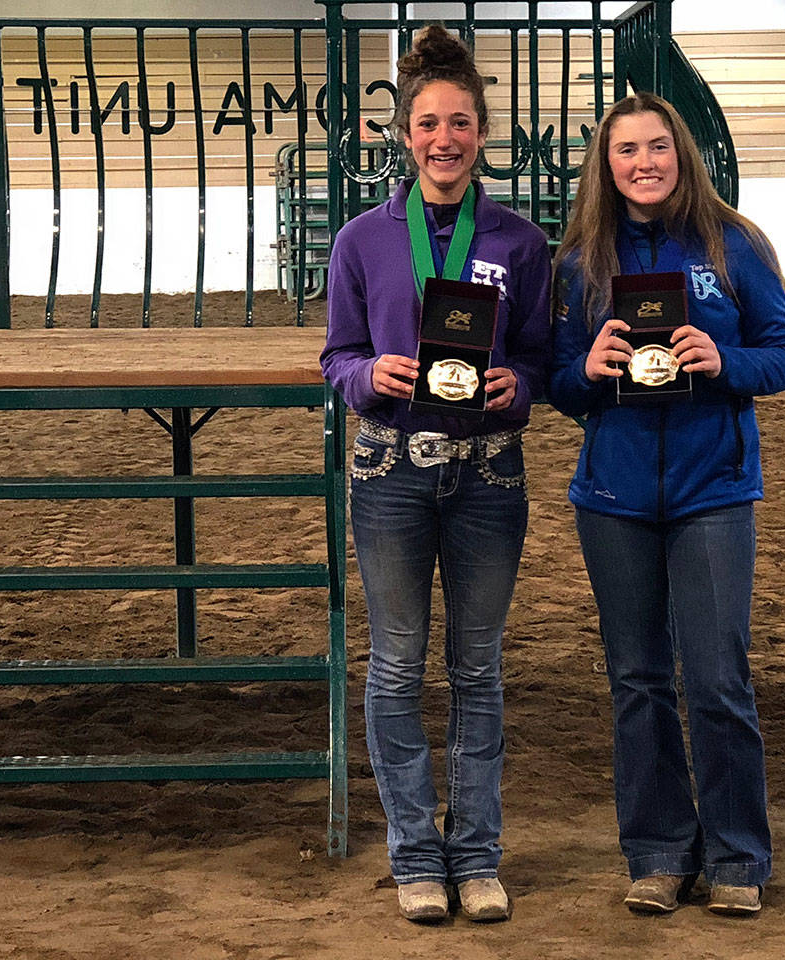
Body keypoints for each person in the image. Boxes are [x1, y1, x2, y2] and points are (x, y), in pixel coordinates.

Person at [547, 92, 785, 917]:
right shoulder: (580, 259)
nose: (644, 163)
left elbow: (784, 356)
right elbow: (557, 382)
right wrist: (584, 371)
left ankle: (737, 857)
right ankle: (657, 852)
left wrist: (720, 358)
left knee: (719, 680)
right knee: (638, 679)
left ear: (681, 154)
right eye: (627, 150)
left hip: (713, 494)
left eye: (658, 146)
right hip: (613, 498)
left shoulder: (734, 245)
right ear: (606, 163)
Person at [320, 24, 551, 924]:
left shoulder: (522, 244)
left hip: (489, 476)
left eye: (460, 122)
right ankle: (417, 856)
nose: (443, 138)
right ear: (403, 134)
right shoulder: (363, 241)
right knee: (396, 668)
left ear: (483, 134)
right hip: (389, 474)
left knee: (480, 668)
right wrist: (362, 376)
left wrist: (517, 385)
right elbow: (335, 353)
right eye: (428, 123)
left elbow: (539, 357)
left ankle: (479, 856)